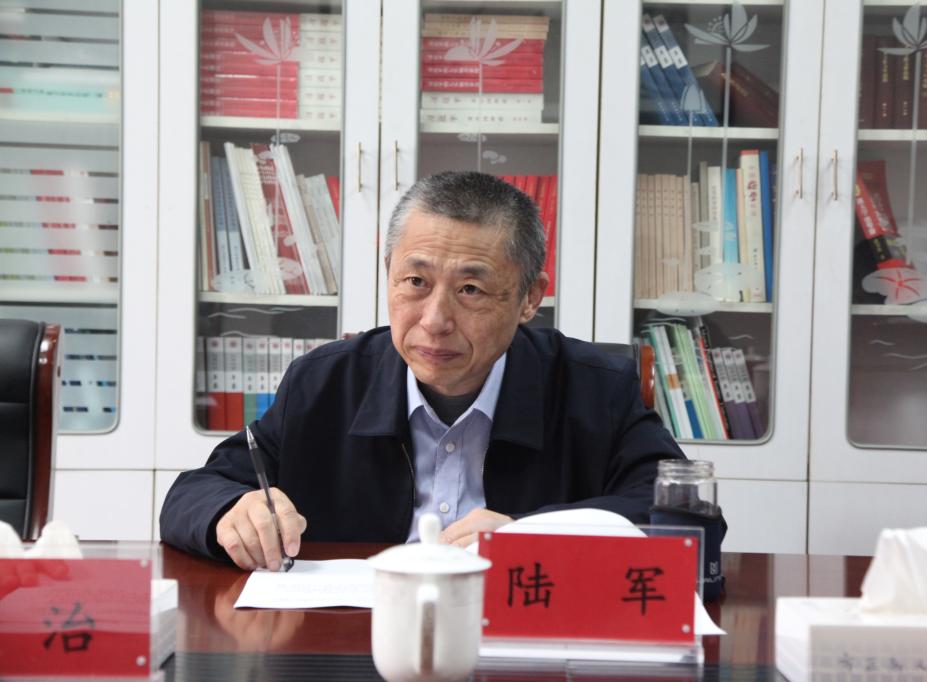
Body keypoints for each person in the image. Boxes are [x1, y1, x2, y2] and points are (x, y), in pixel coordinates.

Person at [160, 171, 685, 571]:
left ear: (530, 298)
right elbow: (195, 492)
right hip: (354, 644)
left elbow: (682, 520)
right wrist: (233, 511)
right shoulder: (324, 384)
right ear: (388, 274)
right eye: (415, 282)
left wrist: (531, 537)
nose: (434, 321)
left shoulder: (596, 389)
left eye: (470, 289)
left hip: (519, 647)